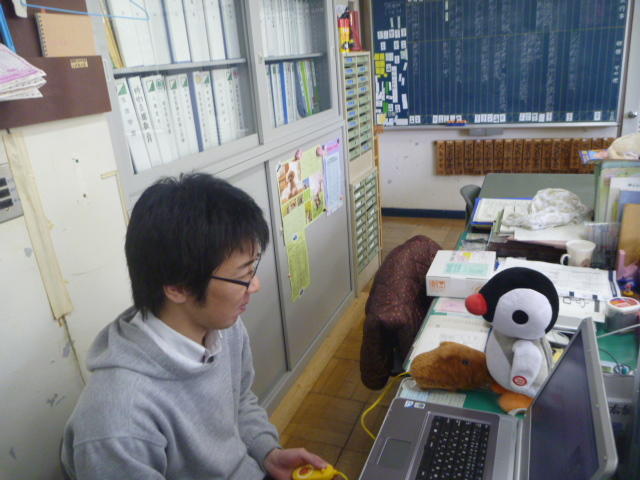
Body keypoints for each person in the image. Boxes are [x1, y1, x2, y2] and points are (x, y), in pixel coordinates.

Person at [61, 173, 329, 479]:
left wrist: (268, 453)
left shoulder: (223, 327)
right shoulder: (117, 422)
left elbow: (240, 400)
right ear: (178, 287)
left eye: (252, 267)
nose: (255, 285)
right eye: (243, 274)